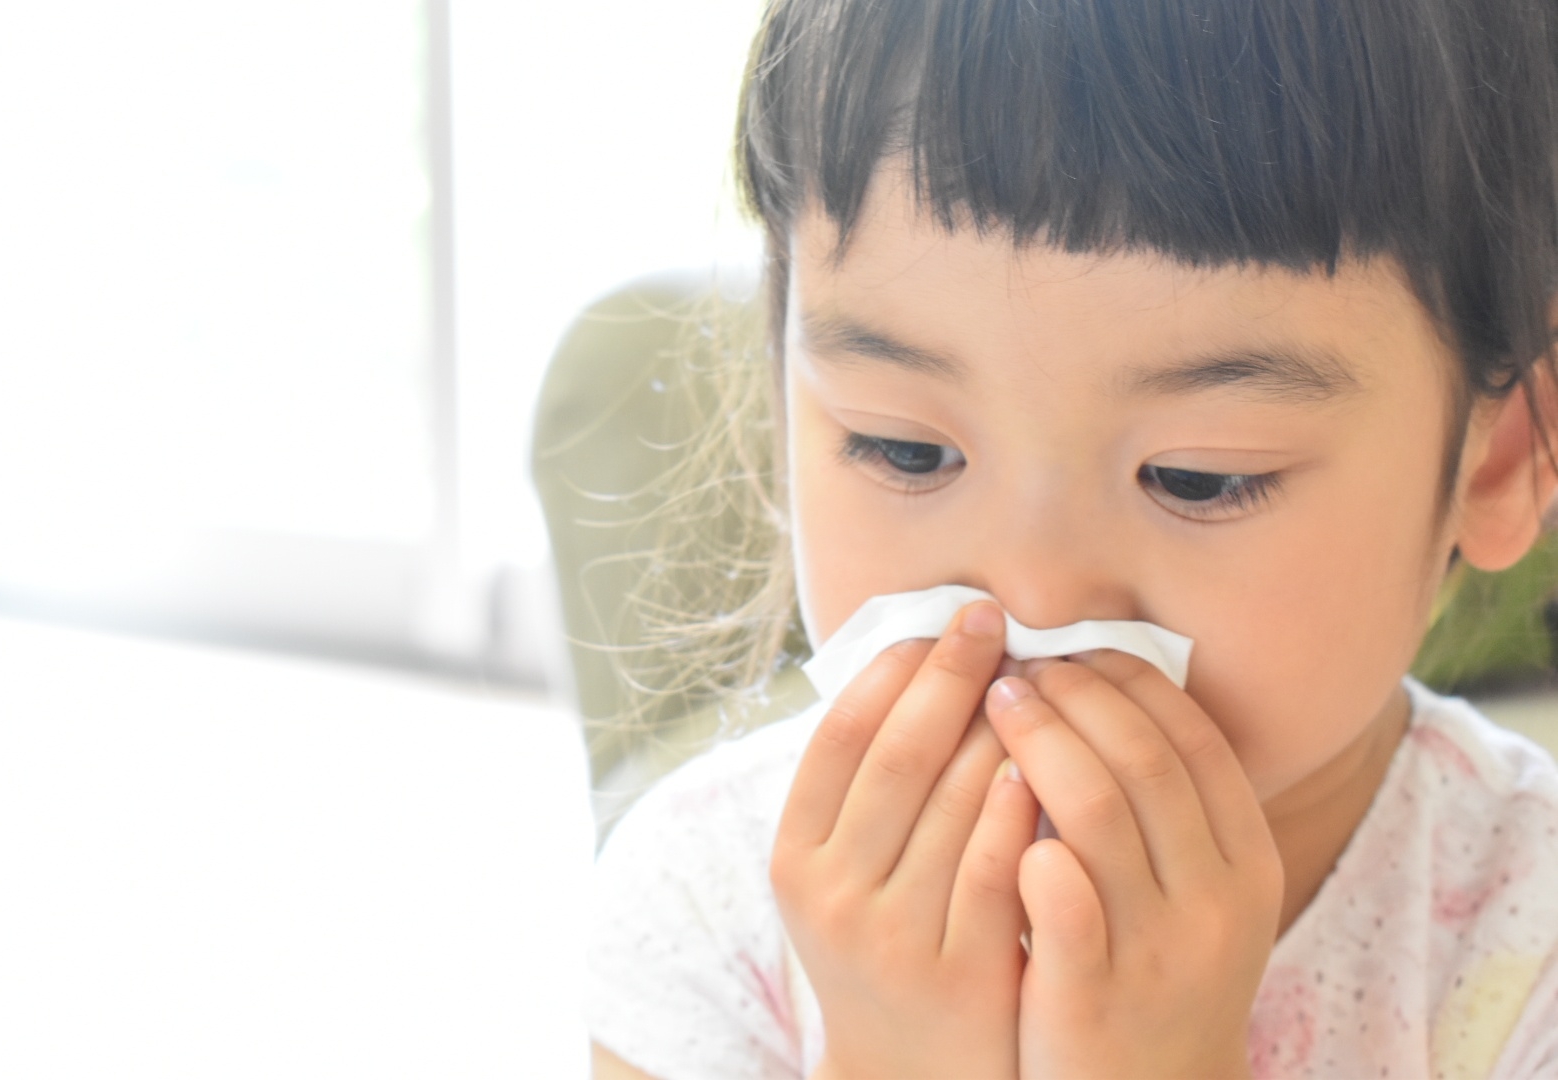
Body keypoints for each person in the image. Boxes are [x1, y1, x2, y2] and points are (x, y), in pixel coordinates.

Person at [585, 0, 1558, 1076]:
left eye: (1199, 477)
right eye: (904, 451)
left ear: (1500, 457)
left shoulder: (1526, 943)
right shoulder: (703, 899)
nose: (1034, 599)